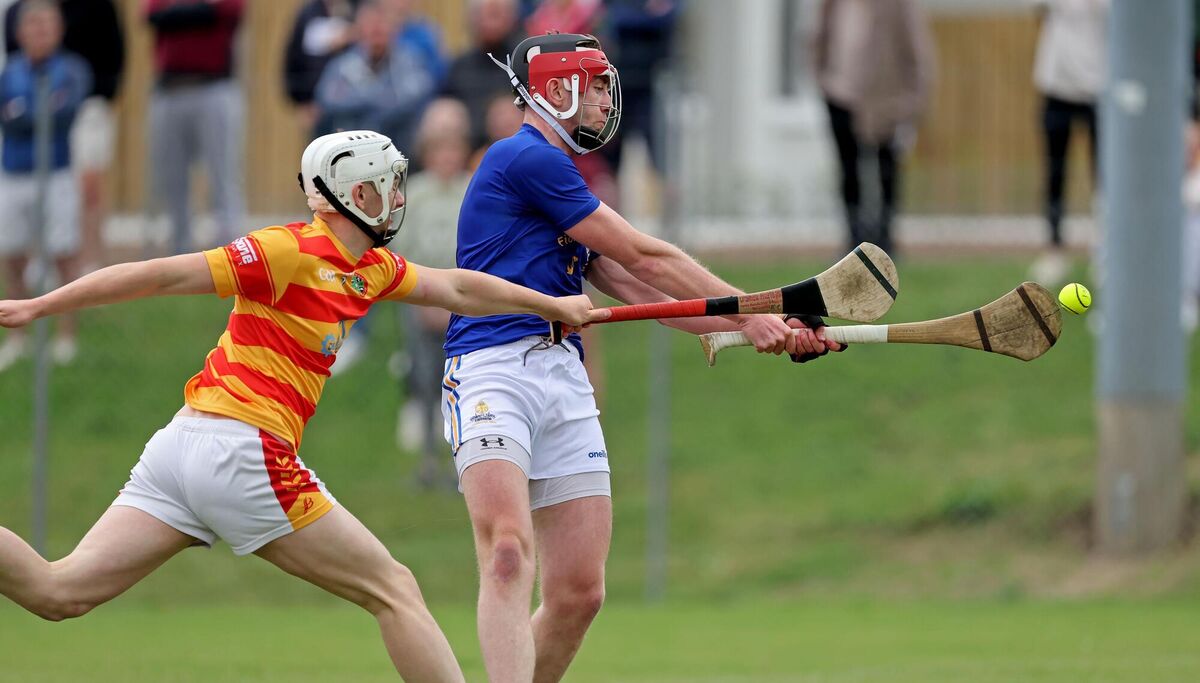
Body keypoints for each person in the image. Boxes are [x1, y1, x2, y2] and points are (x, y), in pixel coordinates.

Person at [0, 129, 607, 681]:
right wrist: (38, 307)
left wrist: (552, 305)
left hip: (180, 449)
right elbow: (159, 275)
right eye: (388, 187)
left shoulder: (370, 268)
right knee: (393, 588)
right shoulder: (284, 250)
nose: (398, 200)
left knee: (59, 591)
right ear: (356, 193)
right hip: (242, 449)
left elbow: (456, 286)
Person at [444, 33, 841, 682]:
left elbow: (633, 286)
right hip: (490, 368)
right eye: (595, 84)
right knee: (510, 554)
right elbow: (648, 256)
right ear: (558, 87)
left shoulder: (560, 176)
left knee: (579, 590)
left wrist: (761, 327)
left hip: (561, 372)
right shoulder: (523, 158)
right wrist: (755, 309)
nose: (606, 98)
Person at [0, 0, 91, 371]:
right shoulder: (10, 74)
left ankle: (65, 335)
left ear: (59, 30)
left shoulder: (72, 70)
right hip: (16, 173)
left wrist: (26, 112)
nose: (39, 33)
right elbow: (10, 119)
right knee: (13, 255)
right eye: (33, 26)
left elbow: (66, 112)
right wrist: (38, 112)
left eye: (47, 25)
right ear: (20, 32)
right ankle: (16, 336)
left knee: (63, 252)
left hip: (56, 173)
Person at [4, 0, 125, 273]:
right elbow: (13, 82)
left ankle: (89, 265)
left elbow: (114, 58)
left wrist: (71, 100)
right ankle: (40, 262)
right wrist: (30, 110)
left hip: (87, 103)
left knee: (86, 186)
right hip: (31, 118)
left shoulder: (96, 7)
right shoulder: (17, 11)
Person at [390, 98, 473, 489]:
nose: (446, 158)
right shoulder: (414, 196)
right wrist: (423, 299)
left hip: (462, 303)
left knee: (463, 384)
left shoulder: (471, 193)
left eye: (453, 149)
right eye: (438, 150)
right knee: (424, 380)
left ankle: (465, 460)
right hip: (420, 301)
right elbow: (400, 251)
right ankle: (427, 460)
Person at [813, 0, 935, 256]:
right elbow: (819, 38)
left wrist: (911, 103)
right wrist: (823, 80)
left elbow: (917, 51)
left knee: (886, 172)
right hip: (840, 96)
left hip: (886, 102)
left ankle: (884, 240)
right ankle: (853, 240)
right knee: (849, 172)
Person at [144, 0, 246, 254]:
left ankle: (232, 255)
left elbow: (227, 11)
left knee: (222, 175)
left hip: (213, 88)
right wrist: (200, 9)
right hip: (169, 90)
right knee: (172, 178)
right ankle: (179, 252)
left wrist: (180, 12)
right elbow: (153, 16)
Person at [1029, 0, 1108, 286]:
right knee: (1055, 173)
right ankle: (1054, 251)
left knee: (1104, 178)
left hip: (1098, 89)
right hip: (1055, 87)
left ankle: (1105, 254)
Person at [440, 0, 523, 150]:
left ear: (512, 17)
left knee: (506, 114)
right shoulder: (460, 66)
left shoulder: (524, 61)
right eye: (483, 14)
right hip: (468, 149)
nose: (490, 22)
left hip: (515, 143)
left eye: (495, 14)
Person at [282, 0, 360, 135]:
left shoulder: (359, 8)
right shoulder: (308, 13)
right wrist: (302, 100)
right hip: (317, 109)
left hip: (355, 109)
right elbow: (294, 59)